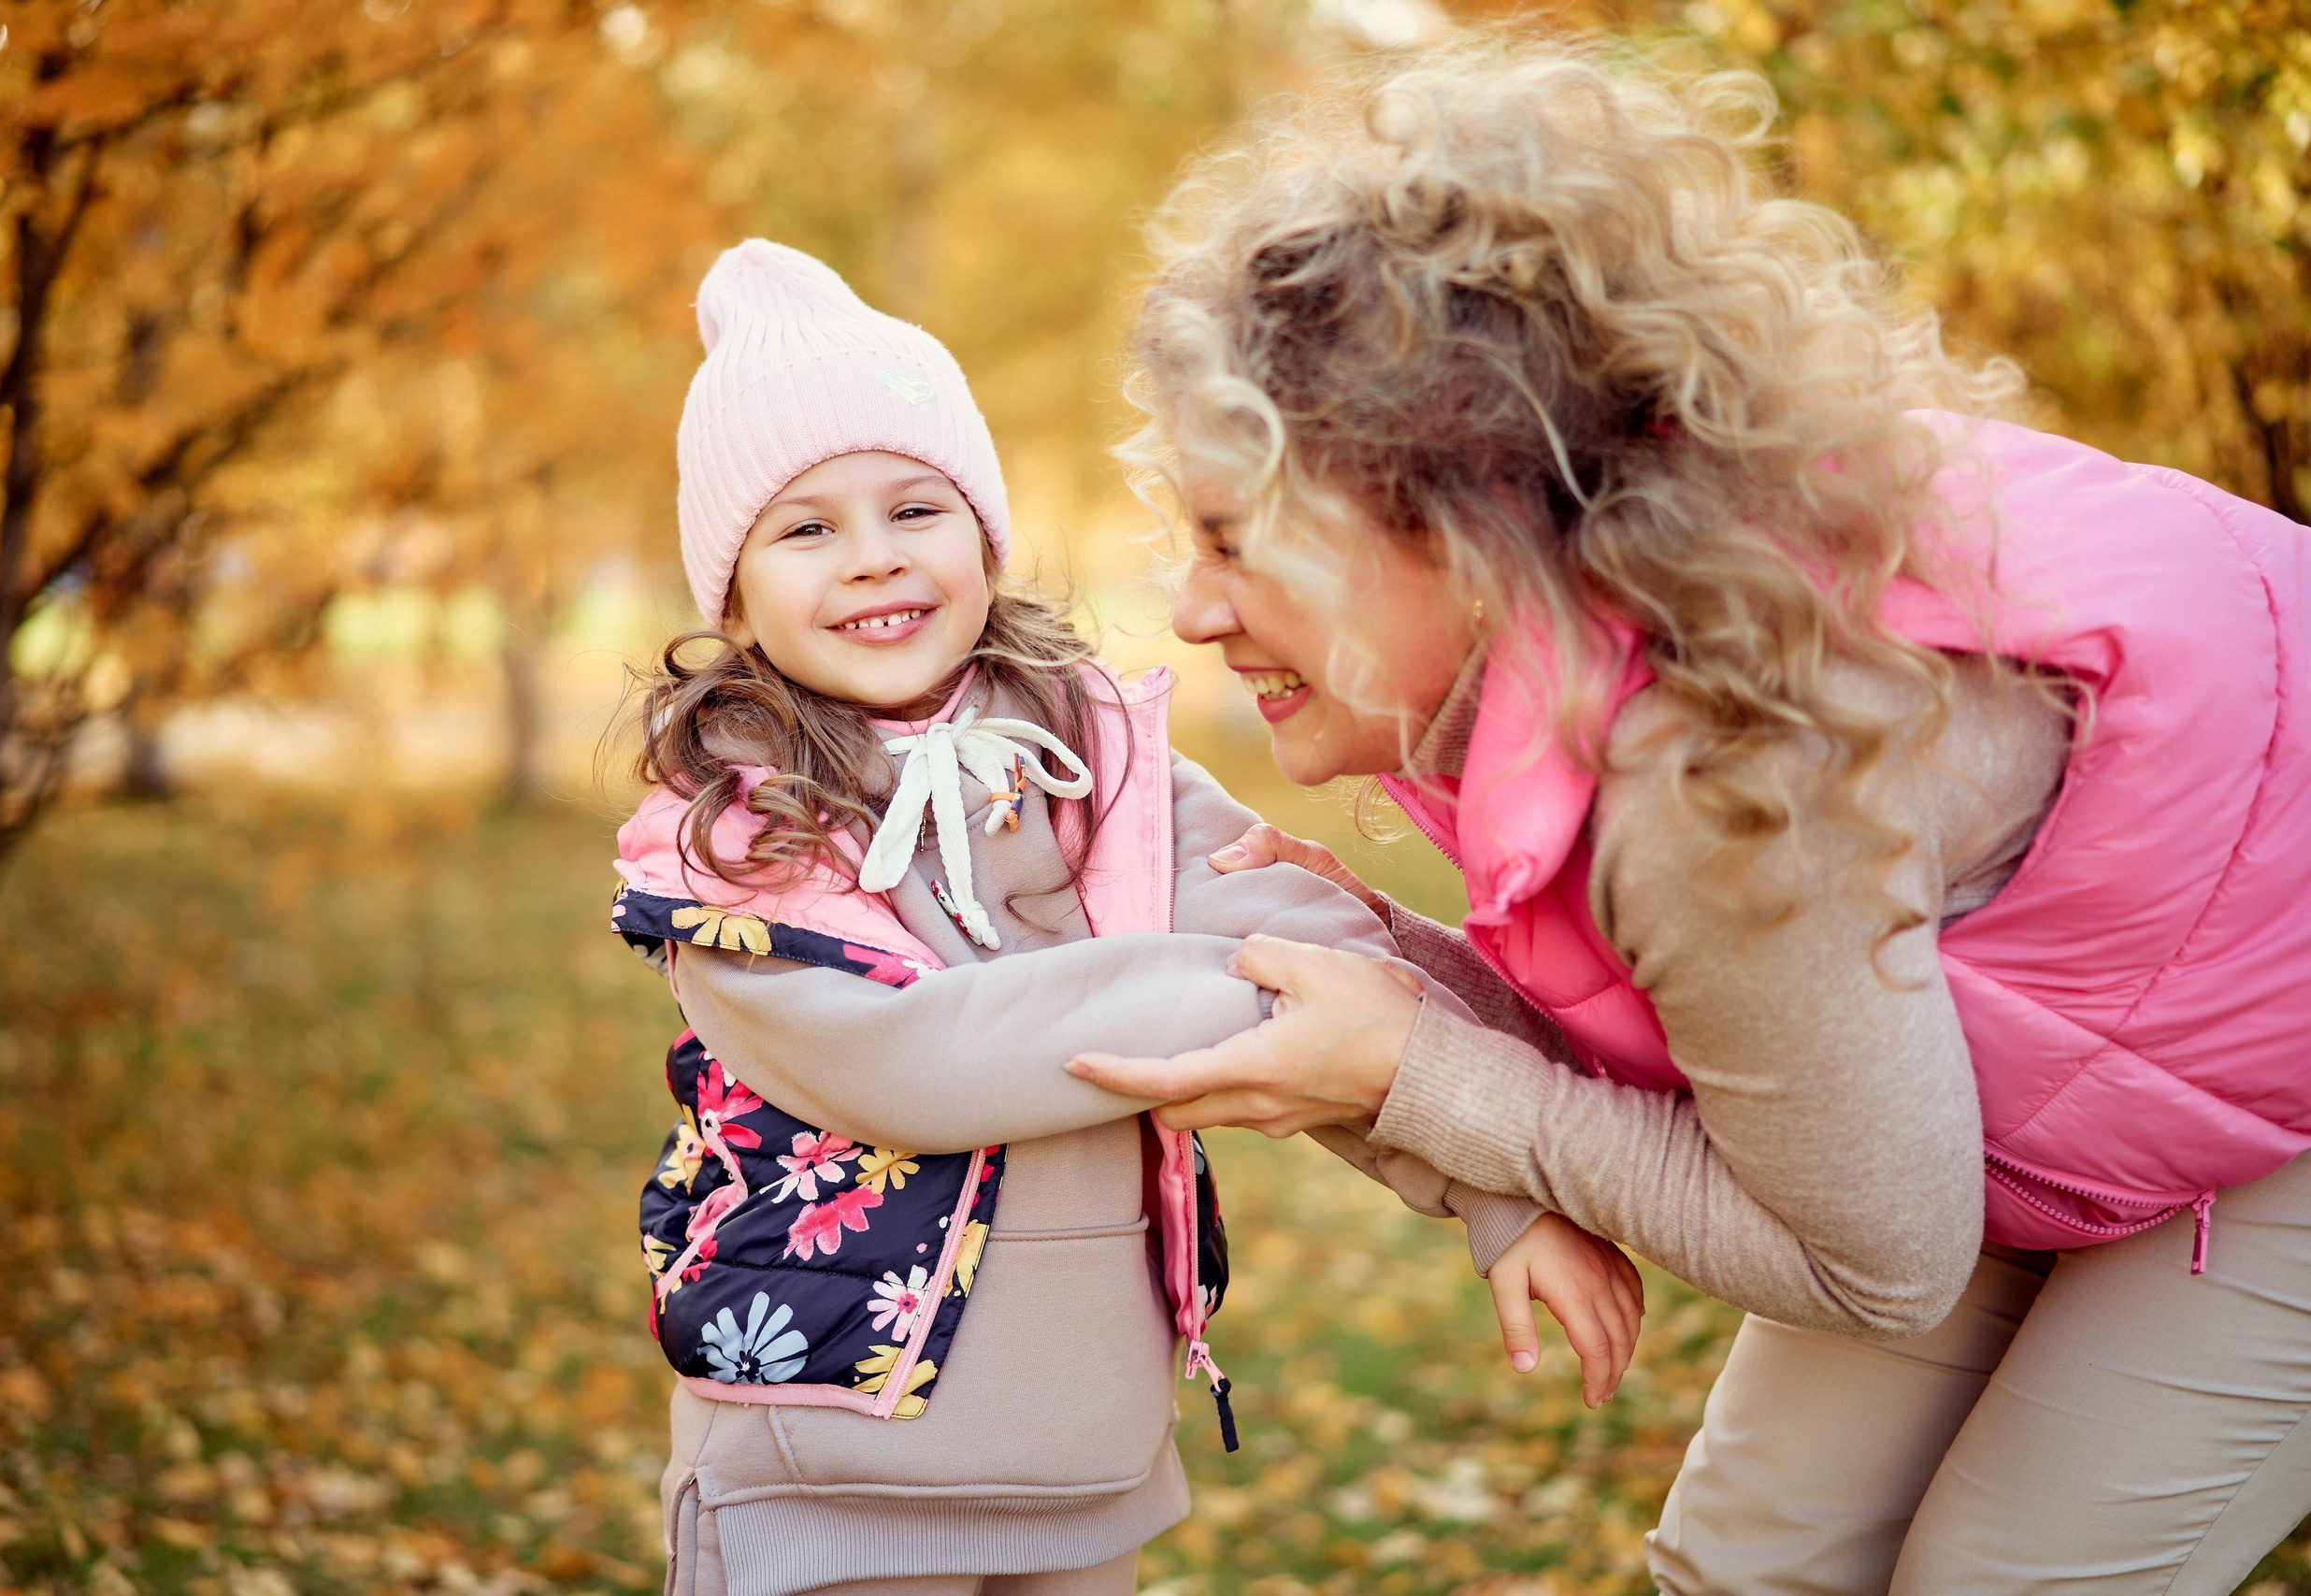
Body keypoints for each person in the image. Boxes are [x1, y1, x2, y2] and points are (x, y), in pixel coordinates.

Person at [1069, 36, 2311, 1596]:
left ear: (1458, 528)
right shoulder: (1587, 632)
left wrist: (1415, 1071)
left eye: (1237, 542)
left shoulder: (1719, 763)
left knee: (2007, 1579)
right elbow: (1716, 1038)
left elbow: (1876, 1265)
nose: (1189, 608)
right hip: (2063, 1068)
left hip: (2281, 1089)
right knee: (1748, 1561)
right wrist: (1394, 976)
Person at [610, 239, 1644, 1596]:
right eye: (807, 529)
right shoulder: (733, 825)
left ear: (982, 532)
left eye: (915, 510)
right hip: (827, 1464)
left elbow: (1317, 964)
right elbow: (906, 1062)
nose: (872, 560)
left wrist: (1496, 1186)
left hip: (1082, 1457)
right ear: (733, 594)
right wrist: (1206, 979)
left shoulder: (1091, 755)